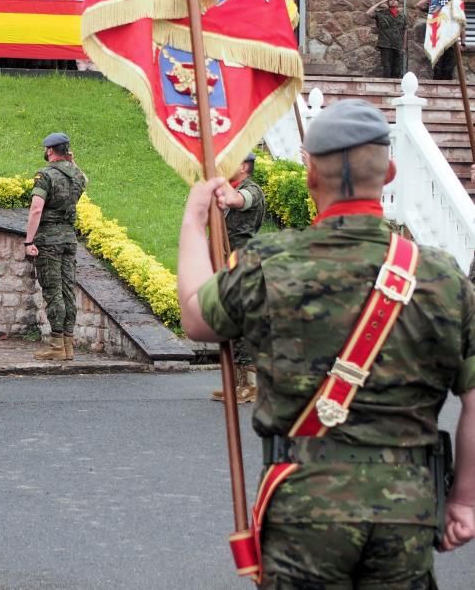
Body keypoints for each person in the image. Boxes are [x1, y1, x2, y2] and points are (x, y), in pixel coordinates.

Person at [178, 99, 475, 587]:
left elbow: (196, 316)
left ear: (309, 171)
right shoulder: (444, 278)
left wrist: (193, 219)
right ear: (391, 172)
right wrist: (463, 498)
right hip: (407, 506)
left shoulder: (267, 263)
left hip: (303, 507)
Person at [24, 133, 88, 360]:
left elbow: (36, 209)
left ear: (50, 151)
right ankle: (68, 346)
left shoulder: (45, 175)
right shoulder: (77, 175)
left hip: (49, 240)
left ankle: (56, 345)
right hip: (69, 239)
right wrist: (72, 160)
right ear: (67, 152)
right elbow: (84, 178)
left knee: (53, 291)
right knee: (68, 290)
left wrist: (29, 240)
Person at [210, 152, 265, 404]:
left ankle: (251, 385)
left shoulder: (251, 190)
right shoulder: (231, 187)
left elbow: (236, 201)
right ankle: (238, 383)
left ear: (243, 166)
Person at [415, 0, 464, 80]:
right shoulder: (436, 9)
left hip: (452, 43)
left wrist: (462, 43)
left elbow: (461, 27)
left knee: (449, 69)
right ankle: (437, 88)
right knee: (437, 68)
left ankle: (446, 90)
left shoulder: (455, 11)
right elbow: (419, 5)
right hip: (438, 42)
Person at [366, 0, 407, 78]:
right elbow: (368, 13)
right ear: (387, 3)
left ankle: (395, 89)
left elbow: (405, 31)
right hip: (385, 45)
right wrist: (380, 3)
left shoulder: (403, 16)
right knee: (387, 68)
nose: (393, 1)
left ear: (398, 2)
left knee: (397, 69)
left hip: (398, 45)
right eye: (390, 0)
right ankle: (387, 86)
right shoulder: (381, 14)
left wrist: (404, 46)